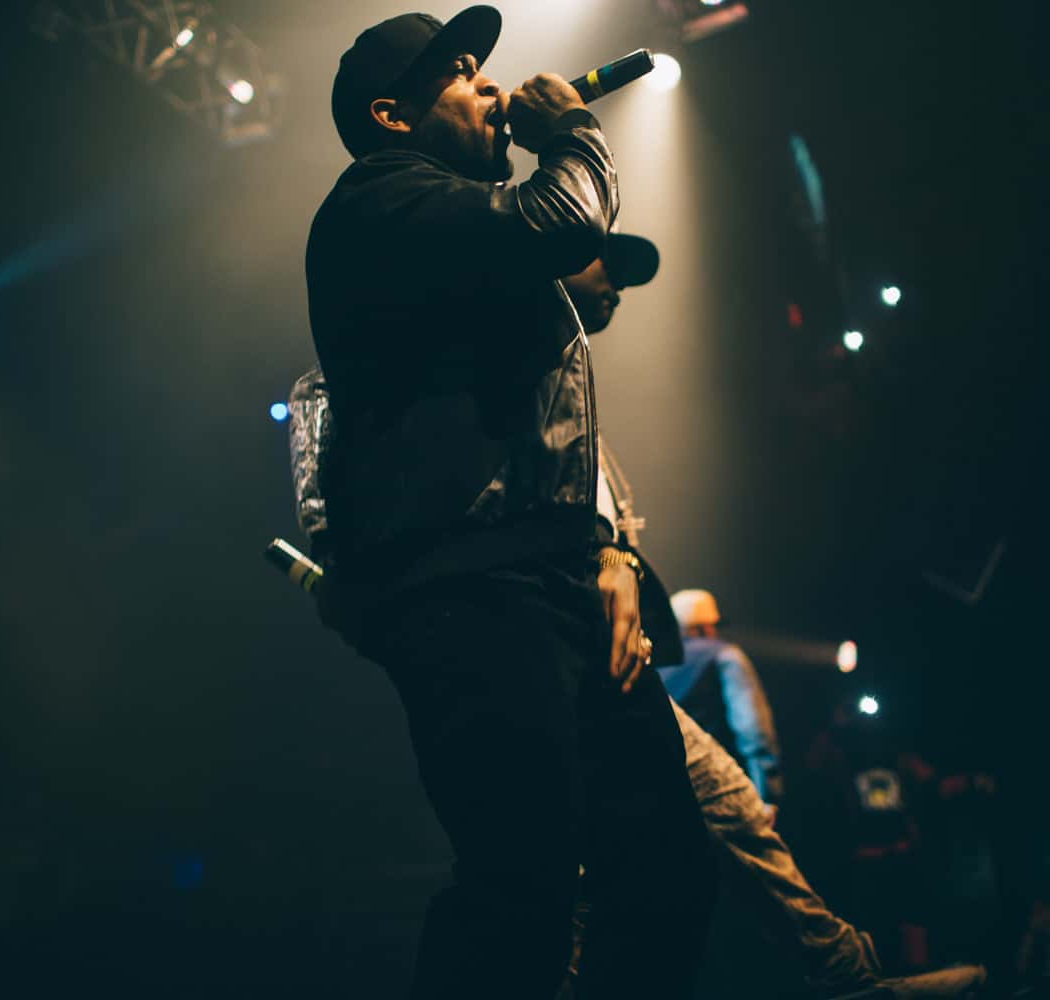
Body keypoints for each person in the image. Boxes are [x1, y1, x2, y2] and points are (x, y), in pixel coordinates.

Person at [292, 227, 987, 999]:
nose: (618, 287)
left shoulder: (568, 391)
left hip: (595, 661)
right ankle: (841, 972)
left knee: (704, 817)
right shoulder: (470, 363)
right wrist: (346, 562)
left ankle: (846, 972)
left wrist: (616, 561)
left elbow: (575, 529)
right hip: (520, 655)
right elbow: (332, 407)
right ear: (553, 258)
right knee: (545, 876)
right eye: (605, 264)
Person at [303, 8, 716, 998]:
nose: (493, 85)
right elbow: (563, 220)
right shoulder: (380, 200)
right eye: (461, 72)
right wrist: (571, 128)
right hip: (471, 589)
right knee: (520, 878)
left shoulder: (453, 228)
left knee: (660, 860)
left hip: (545, 579)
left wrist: (605, 553)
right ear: (392, 115)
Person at [661, 589, 785, 816]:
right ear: (706, 627)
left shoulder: (657, 664)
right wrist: (767, 794)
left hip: (667, 792)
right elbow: (753, 729)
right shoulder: (725, 656)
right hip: (719, 789)